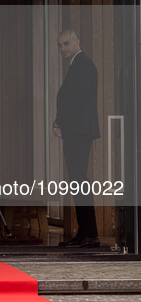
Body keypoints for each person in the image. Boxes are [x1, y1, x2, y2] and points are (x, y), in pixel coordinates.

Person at [54, 29, 100, 248]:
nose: (63, 49)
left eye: (66, 44)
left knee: (79, 181)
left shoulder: (83, 65)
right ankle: (85, 233)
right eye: (60, 45)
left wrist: (61, 123)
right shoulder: (77, 64)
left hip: (79, 131)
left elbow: (76, 100)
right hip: (76, 130)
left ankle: (89, 234)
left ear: (76, 42)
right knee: (77, 181)